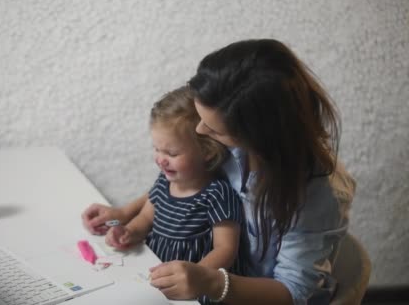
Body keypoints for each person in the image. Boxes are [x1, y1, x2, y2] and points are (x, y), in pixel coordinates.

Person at [82, 39, 356, 305]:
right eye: (201, 118)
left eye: (213, 129)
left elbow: (294, 291)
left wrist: (212, 283)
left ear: (259, 137)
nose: (200, 131)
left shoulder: (318, 195)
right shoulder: (233, 146)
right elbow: (179, 185)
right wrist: (124, 214)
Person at [104, 86, 243, 305]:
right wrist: (128, 231)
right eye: (156, 149)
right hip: (156, 279)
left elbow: (226, 249)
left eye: (171, 153)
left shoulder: (217, 194)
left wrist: (198, 276)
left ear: (206, 151)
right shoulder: (164, 181)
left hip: (195, 292)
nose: (160, 159)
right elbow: (145, 219)